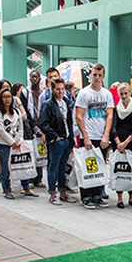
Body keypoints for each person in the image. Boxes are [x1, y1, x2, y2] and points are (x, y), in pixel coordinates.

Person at [74, 63, 114, 209]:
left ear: (103, 76)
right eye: (94, 75)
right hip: (88, 136)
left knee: (100, 167)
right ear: (90, 75)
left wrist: (106, 135)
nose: (96, 78)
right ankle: (86, 196)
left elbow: (109, 116)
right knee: (87, 167)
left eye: (99, 75)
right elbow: (79, 117)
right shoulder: (84, 94)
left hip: (101, 136)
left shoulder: (107, 94)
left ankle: (97, 194)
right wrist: (86, 137)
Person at [0, 87, 37, 200]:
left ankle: (26, 187)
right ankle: (7, 189)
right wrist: (11, 142)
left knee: (22, 165)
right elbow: (1, 130)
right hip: (3, 144)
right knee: (6, 167)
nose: (7, 99)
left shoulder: (16, 111)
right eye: (4, 97)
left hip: (18, 142)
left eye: (9, 97)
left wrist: (19, 140)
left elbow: (20, 126)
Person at [38, 78, 78, 206]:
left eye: (62, 89)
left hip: (66, 140)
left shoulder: (66, 102)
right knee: (53, 167)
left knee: (62, 168)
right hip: (56, 141)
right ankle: (52, 194)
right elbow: (43, 123)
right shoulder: (48, 104)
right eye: (58, 89)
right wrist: (54, 137)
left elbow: (69, 122)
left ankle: (63, 193)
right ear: (52, 89)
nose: (60, 91)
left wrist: (70, 139)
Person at [111, 83, 132, 209]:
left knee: (131, 171)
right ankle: (119, 198)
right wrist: (118, 143)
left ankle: (131, 196)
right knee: (119, 170)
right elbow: (113, 126)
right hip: (118, 143)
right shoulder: (116, 108)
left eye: (126, 93)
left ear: (130, 93)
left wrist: (126, 143)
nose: (123, 96)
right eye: (121, 94)